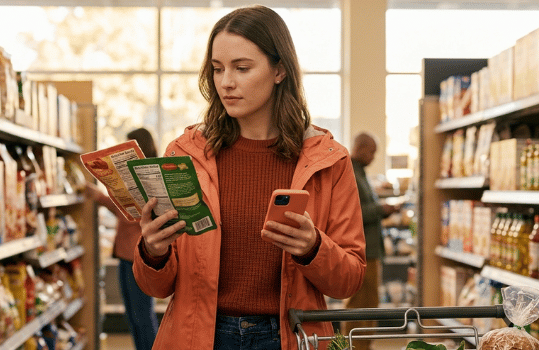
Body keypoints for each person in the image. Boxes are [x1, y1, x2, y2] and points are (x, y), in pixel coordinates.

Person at [131, 5, 366, 350]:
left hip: (291, 335)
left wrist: (314, 248)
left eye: (242, 68)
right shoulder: (184, 154)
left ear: (280, 70)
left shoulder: (328, 160)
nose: (226, 82)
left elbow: (349, 280)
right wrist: (153, 251)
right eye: (217, 69)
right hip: (200, 337)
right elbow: (155, 288)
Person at [86, 128, 160, 350]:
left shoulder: (149, 176)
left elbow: (132, 214)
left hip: (139, 254)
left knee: (142, 316)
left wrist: (100, 197)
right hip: (126, 253)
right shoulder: (133, 176)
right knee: (134, 315)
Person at [341, 132, 398, 350]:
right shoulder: (351, 173)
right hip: (361, 251)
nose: (374, 157)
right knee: (360, 304)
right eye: (372, 151)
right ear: (361, 148)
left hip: (370, 250)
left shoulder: (360, 173)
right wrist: (381, 209)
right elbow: (352, 212)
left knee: (370, 302)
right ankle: (357, 347)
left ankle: (364, 346)